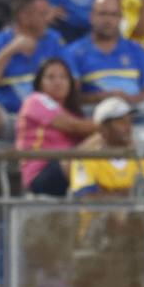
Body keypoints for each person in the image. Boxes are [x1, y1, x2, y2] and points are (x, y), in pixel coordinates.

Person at [0, 0, 66, 190]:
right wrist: (11, 50)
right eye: (42, 14)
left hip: (50, 120)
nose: (48, 18)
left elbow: (71, 83)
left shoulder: (54, 41)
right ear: (25, 17)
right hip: (9, 119)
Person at [64, 0, 144, 122]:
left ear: (120, 18)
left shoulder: (137, 50)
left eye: (113, 15)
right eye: (103, 14)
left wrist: (128, 100)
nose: (108, 20)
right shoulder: (73, 52)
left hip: (136, 113)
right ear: (91, 17)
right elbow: (71, 97)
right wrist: (103, 97)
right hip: (95, 116)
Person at [16, 56, 94, 195]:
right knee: (102, 138)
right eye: (51, 77)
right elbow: (73, 127)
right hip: (40, 174)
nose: (58, 82)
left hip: (65, 169)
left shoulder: (73, 112)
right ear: (39, 83)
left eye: (63, 77)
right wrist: (108, 126)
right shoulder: (35, 100)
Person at [70, 96, 144, 196]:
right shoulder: (85, 159)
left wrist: (106, 192)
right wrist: (133, 192)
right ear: (103, 128)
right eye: (120, 122)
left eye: (129, 121)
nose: (128, 127)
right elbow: (86, 198)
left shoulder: (142, 157)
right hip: (102, 212)